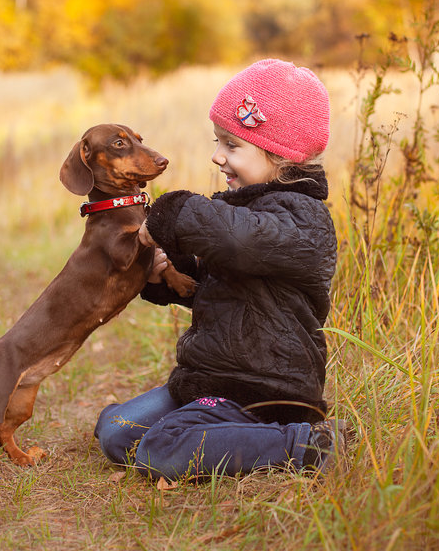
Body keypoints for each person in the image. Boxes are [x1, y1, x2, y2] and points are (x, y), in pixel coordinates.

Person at [94, 58, 351, 479]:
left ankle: (304, 444)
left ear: (280, 155)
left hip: (263, 391)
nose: (217, 157)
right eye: (218, 142)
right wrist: (167, 274)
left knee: (161, 451)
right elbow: (215, 279)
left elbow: (237, 240)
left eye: (232, 145)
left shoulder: (304, 221)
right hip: (209, 378)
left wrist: (170, 212)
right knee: (117, 435)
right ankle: (171, 427)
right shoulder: (237, 211)